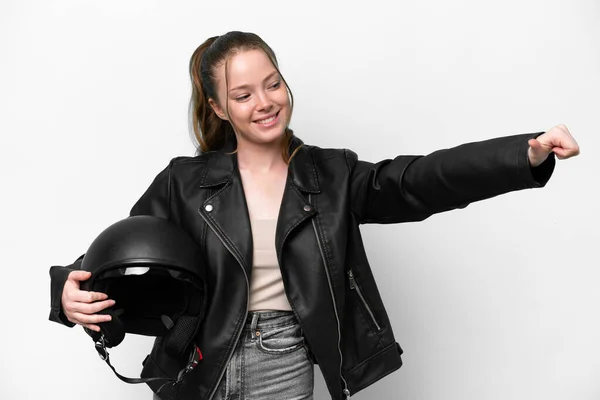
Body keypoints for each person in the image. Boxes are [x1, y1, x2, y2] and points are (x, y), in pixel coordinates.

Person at [48, 31, 580, 400]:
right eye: (243, 93)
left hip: (282, 357)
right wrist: (68, 291)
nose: (265, 101)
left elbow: (420, 182)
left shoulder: (332, 175)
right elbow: (130, 252)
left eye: (273, 83)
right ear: (218, 108)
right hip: (194, 362)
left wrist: (523, 154)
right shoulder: (185, 180)